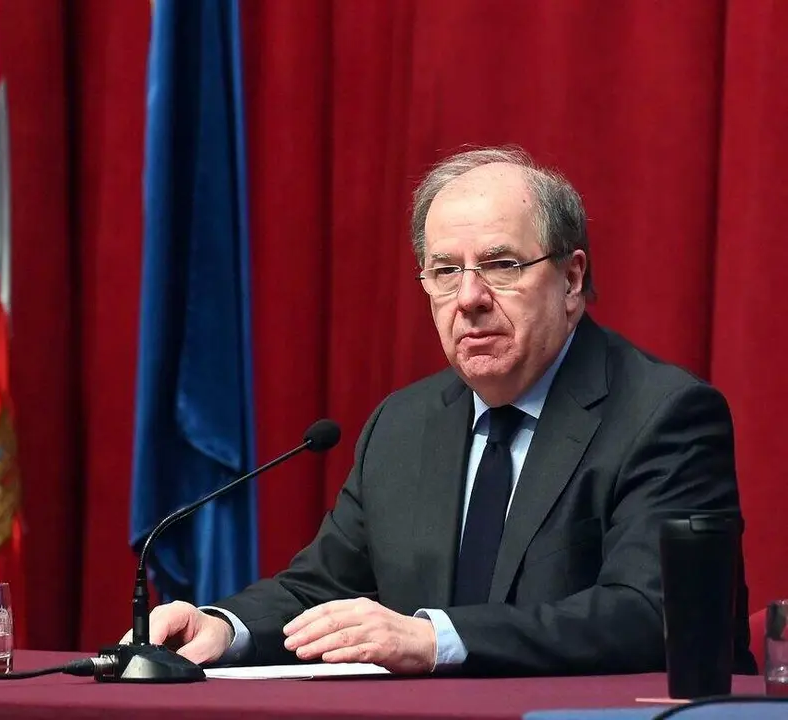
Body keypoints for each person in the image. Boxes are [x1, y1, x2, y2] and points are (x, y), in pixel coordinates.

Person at [130, 146, 757, 676]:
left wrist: (434, 640)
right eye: (444, 271)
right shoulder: (404, 425)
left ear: (571, 280)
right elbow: (320, 588)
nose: (469, 298)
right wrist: (224, 626)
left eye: (500, 265)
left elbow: (654, 614)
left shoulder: (665, 415)